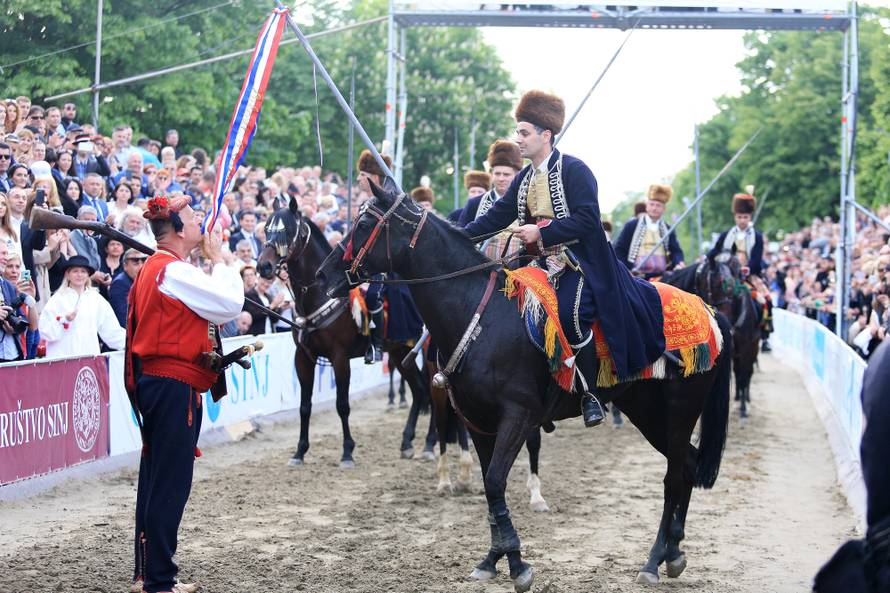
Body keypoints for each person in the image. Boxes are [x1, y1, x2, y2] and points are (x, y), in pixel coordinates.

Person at [464, 90, 665, 428]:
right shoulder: (524, 179)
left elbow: (588, 219)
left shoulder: (575, 170)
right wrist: (452, 235)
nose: (519, 139)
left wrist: (542, 232)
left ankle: (589, 394)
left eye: (524, 132)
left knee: (570, 316)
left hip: (581, 261)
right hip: (537, 264)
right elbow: (494, 218)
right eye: (518, 132)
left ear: (546, 135)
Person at [126, 194, 243, 593]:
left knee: (159, 481)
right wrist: (221, 259)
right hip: (171, 386)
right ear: (176, 229)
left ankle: (153, 575)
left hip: (162, 384)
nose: (199, 222)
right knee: (170, 485)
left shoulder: (161, 269)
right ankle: (160, 580)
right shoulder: (171, 271)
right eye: (192, 217)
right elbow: (230, 304)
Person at [707, 189, 772, 350]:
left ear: (749, 218)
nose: (742, 220)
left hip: (749, 276)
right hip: (726, 275)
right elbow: (715, 251)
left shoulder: (757, 236)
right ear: (735, 217)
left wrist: (747, 269)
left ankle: (764, 337)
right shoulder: (725, 235)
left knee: (766, 300)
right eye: (739, 217)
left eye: (745, 217)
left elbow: (756, 258)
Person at [38, 255, 125, 358]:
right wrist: (64, 320)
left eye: (83, 271)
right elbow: (45, 332)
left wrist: (130, 343)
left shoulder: (96, 299)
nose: (79, 275)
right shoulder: (57, 300)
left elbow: (111, 330)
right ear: (67, 274)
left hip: (88, 361)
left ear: (88, 275)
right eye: (75, 271)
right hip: (62, 360)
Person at [613, 183, 685, 278]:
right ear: (647, 206)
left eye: (658, 205)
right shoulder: (631, 225)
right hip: (636, 277)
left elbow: (676, 251)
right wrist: (626, 270)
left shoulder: (668, 229)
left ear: (664, 209)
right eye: (652, 204)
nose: (654, 208)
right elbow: (619, 250)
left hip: (663, 278)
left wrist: (679, 263)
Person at [0, 241, 38, 362]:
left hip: (13, 355)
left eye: (17, 267)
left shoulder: (7, 287)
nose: (14, 271)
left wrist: (30, 301)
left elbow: (30, 329)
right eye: (3, 253)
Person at [110, 249, 146, 327]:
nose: (141, 266)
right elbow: (124, 318)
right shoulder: (120, 284)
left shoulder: (142, 281)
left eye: (143, 262)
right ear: (125, 266)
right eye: (135, 263)